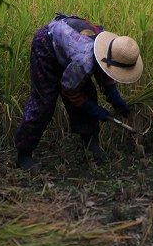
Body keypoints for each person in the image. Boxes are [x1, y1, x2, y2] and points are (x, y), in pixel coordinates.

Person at [14, 13, 143, 169]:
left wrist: (115, 98)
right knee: (44, 102)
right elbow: (69, 90)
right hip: (47, 46)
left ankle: (90, 145)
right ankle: (23, 154)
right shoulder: (84, 61)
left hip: (70, 47)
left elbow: (105, 70)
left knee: (88, 93)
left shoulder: (111, 46)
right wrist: (95, 110)